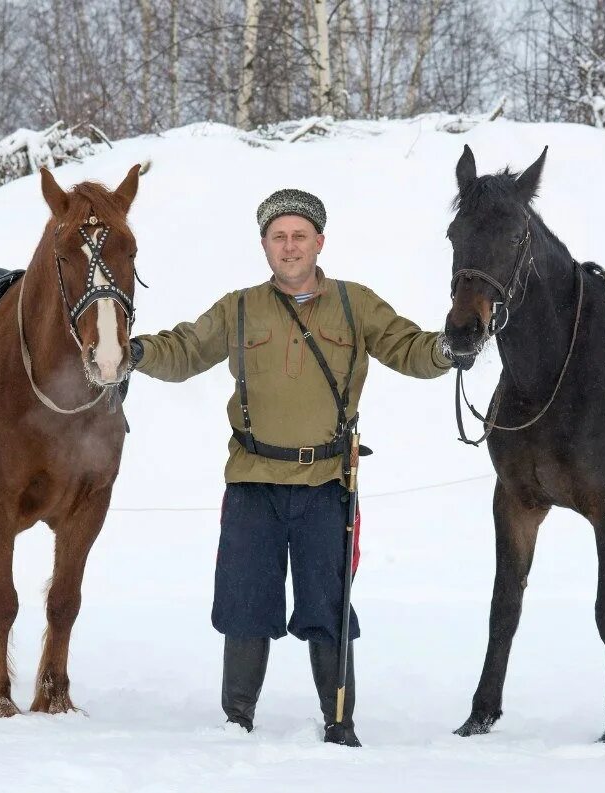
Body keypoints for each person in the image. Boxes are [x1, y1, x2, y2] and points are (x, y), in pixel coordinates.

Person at [129, 188, 453, 747]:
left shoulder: (356, 304)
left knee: (328, 604)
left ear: (320, 242)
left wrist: (451, 348)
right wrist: (131, 352)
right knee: (245, 601)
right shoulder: (239, 307)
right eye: (278, 236)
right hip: (253, 481)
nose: (289, 246)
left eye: (299, 235)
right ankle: (236, 721)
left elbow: (411, 349)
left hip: (327, 485)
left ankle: (338, 721)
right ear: (264, 246)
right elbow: (184, 349)